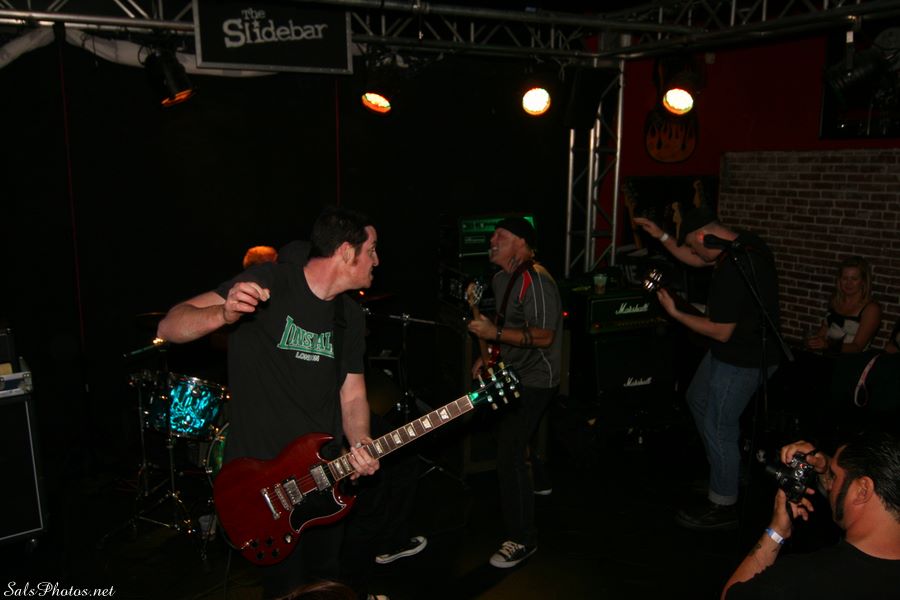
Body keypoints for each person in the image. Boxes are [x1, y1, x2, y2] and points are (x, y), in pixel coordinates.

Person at [156, 206, 384, 600]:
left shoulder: (349, 315)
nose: (377, 261)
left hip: (324, 477)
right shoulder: (271, 281)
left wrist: (361, 439)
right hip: (264, 485)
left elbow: (353, 394)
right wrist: (224, 313)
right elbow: (170, 325)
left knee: (325, 586)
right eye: (372, 250)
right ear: (347, 252)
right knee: (285, 590)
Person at [634, 206, 782, 531]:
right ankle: (727, 472)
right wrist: (661, 235)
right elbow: (697, 258)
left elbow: (720, 331)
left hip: (743, 358)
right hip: (730, 350)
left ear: (704, 237)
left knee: (718, 424)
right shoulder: (743, 243)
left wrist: (676, 313)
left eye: (693, 245)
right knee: (698, 399)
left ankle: (723, 503)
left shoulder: (734, 270)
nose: (695, 254)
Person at [466, 216, 563, 568]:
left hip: (538, 377)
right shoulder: (500, 278)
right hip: (514, 371)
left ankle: (523, 539)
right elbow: (508, 326)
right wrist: (490, 354)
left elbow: (544, 336)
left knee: (509, 451)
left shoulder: (536, 280)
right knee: (507, 432)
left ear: (521, 243)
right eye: (493, 235)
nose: (492, 240)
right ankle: (540, 478)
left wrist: (493, 335)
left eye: (501, 235)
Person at [721, 432, 900, 599]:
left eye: (834, 477)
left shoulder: (802, 579)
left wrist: (776, 532)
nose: (829, 486)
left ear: (863, 490)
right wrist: (825, 467)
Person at [806, 256, 882, 354]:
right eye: (845, 278)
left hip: (852, 361)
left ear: (863, 281)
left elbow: (857, 347)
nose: (848, 283)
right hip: (828, 357)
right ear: (839, 280)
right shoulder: (835, 301)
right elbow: (823, 332)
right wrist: (814, 342)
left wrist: (827, 345)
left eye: (854, 279)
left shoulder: (871, 309)